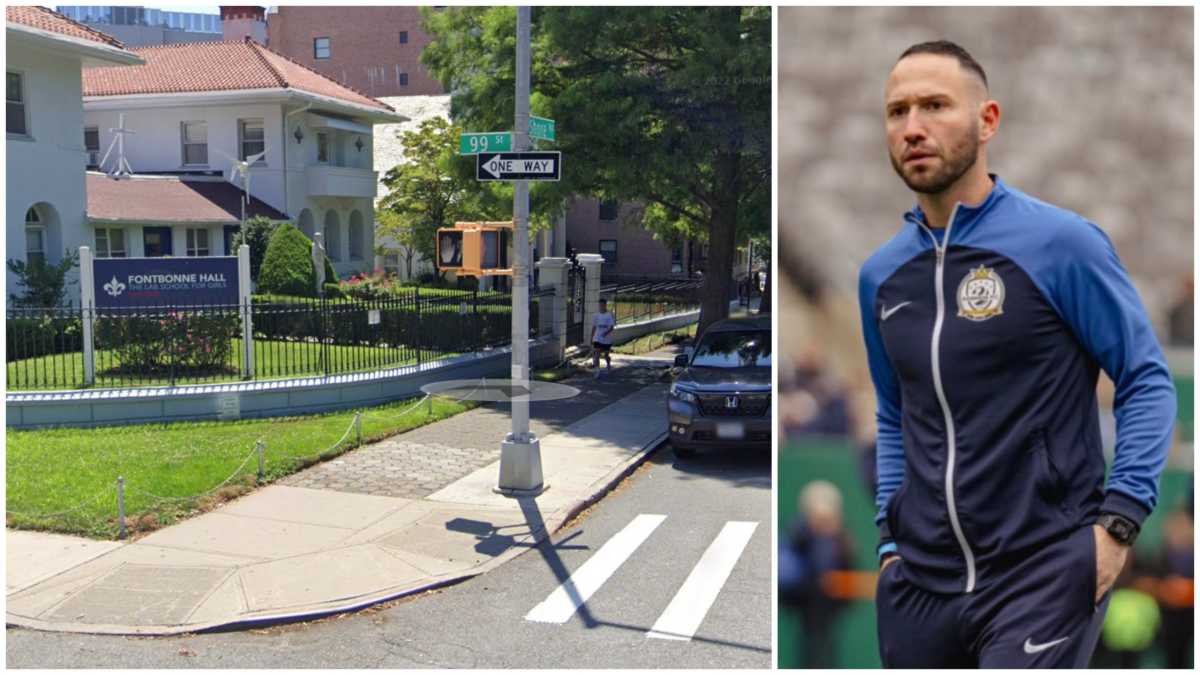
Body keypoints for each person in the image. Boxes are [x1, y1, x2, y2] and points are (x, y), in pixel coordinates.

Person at [858, 40, 1176, 668]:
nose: (913, 127)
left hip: (1042, 569)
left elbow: (1145, 378)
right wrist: (889, 538)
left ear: (987, 120)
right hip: (919, 582)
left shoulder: (1063, 245)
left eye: (934, 105)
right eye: (897, 112)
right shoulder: (881, 276)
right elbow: (895, 413)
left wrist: (1118, 526)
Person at [591, 298, 615, 378]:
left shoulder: (609, 315)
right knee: (597, 354)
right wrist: (592, 337)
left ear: (605, 305)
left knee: (606, 355)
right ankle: (597, 371)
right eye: (600, 305)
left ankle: (608, 364)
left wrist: (605, 333)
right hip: (597, 338)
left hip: (606, 339)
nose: (601, 306)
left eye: (603, 305)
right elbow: (594, 327)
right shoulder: (596, 315)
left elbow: (611, 327)